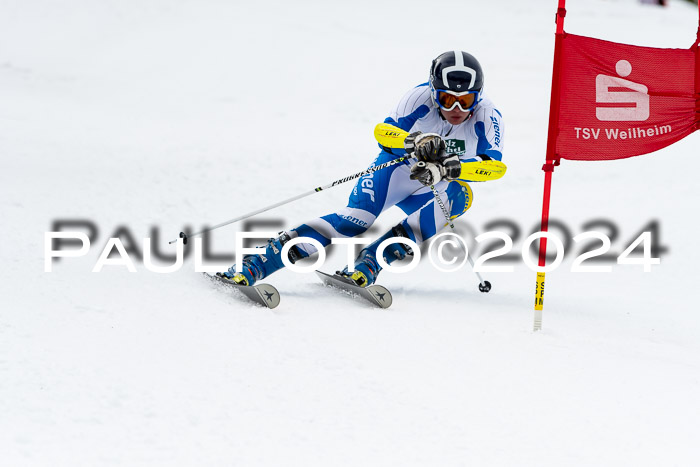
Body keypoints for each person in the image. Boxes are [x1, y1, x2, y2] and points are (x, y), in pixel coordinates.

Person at [219, 50, 505, 287]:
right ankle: (259, 261)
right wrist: (413, 141)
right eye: (446, 98)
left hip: (432, 183)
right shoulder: (418, 98)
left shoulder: (487, 115)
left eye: (465, 100)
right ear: (433, 92)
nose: (456, 107)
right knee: (354, 221)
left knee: (460, 197)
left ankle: (372, 259)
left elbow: (494, 167)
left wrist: (448, 169)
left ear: (477, 96)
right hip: (397, 172)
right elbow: (383, 132)